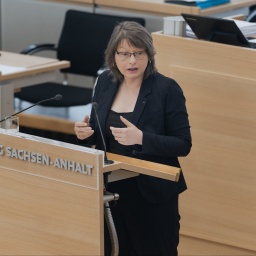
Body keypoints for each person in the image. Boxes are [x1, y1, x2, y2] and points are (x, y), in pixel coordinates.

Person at [74, 21, 192, 256]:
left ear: (149, 55)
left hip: (152, 194)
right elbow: (99, 134)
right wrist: (84, 134)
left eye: (139, 53)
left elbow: (183, 144)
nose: (132, 61)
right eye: (125, 54)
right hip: (112, 191)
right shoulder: (105, 82)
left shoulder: (167, 89)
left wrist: (141, 138)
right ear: (113, 55)